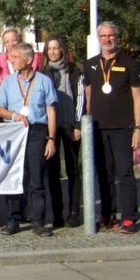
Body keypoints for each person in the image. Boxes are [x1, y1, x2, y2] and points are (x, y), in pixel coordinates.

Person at [84, 22, 140, 234]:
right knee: (103, 173)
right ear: (98, 39)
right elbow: (88, 97)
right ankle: (107, 215)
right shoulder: (91, 64)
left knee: (125, 173)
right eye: (103, 36)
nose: (107, 39)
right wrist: (86, 126)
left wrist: (138, 127)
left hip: (122, 128)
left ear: (117, 37)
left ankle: (129, 218)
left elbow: (137, 98)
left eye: (111, 35)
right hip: (98, 129)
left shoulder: (129, 63)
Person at [0, 42, 58, 238]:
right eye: (10, 57)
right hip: (14, 132)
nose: (11, 60)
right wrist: (14, 115)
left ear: (29, 60)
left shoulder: (44, 81)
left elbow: (51, 111)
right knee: (14, 176)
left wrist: (51, 139)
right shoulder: (9, 82)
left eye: (14, 57)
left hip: (37, 132)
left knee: (36, 177)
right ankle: (13, 219)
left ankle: (37, 220)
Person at [42, 35, 85, 229]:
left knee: (73, 168)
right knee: (52, 171)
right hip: (51, 127)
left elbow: (81, 98)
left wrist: (78, 124)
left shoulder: (75, 71)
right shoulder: (42, 73)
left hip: (70, 124)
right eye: (49, 48)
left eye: (56, 48)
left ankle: (74, 211)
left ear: (62, 50)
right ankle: (57, 213)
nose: (52, 52)